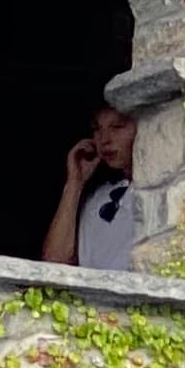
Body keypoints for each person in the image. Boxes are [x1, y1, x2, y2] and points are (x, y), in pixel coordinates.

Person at [42, 103, 137, 271]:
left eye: (117, 127)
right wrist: (74, 184)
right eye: (97, 129)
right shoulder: (97, 198)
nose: (104, 139)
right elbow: (54, 262)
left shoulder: (160, 193)